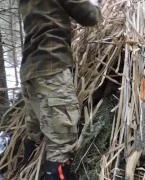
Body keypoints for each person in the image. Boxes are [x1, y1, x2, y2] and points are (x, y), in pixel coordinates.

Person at [18, 0, 102, 179]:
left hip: (29, 70)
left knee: (35, 137)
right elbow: (90, 16)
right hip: (52, 68)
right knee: (61, 146)